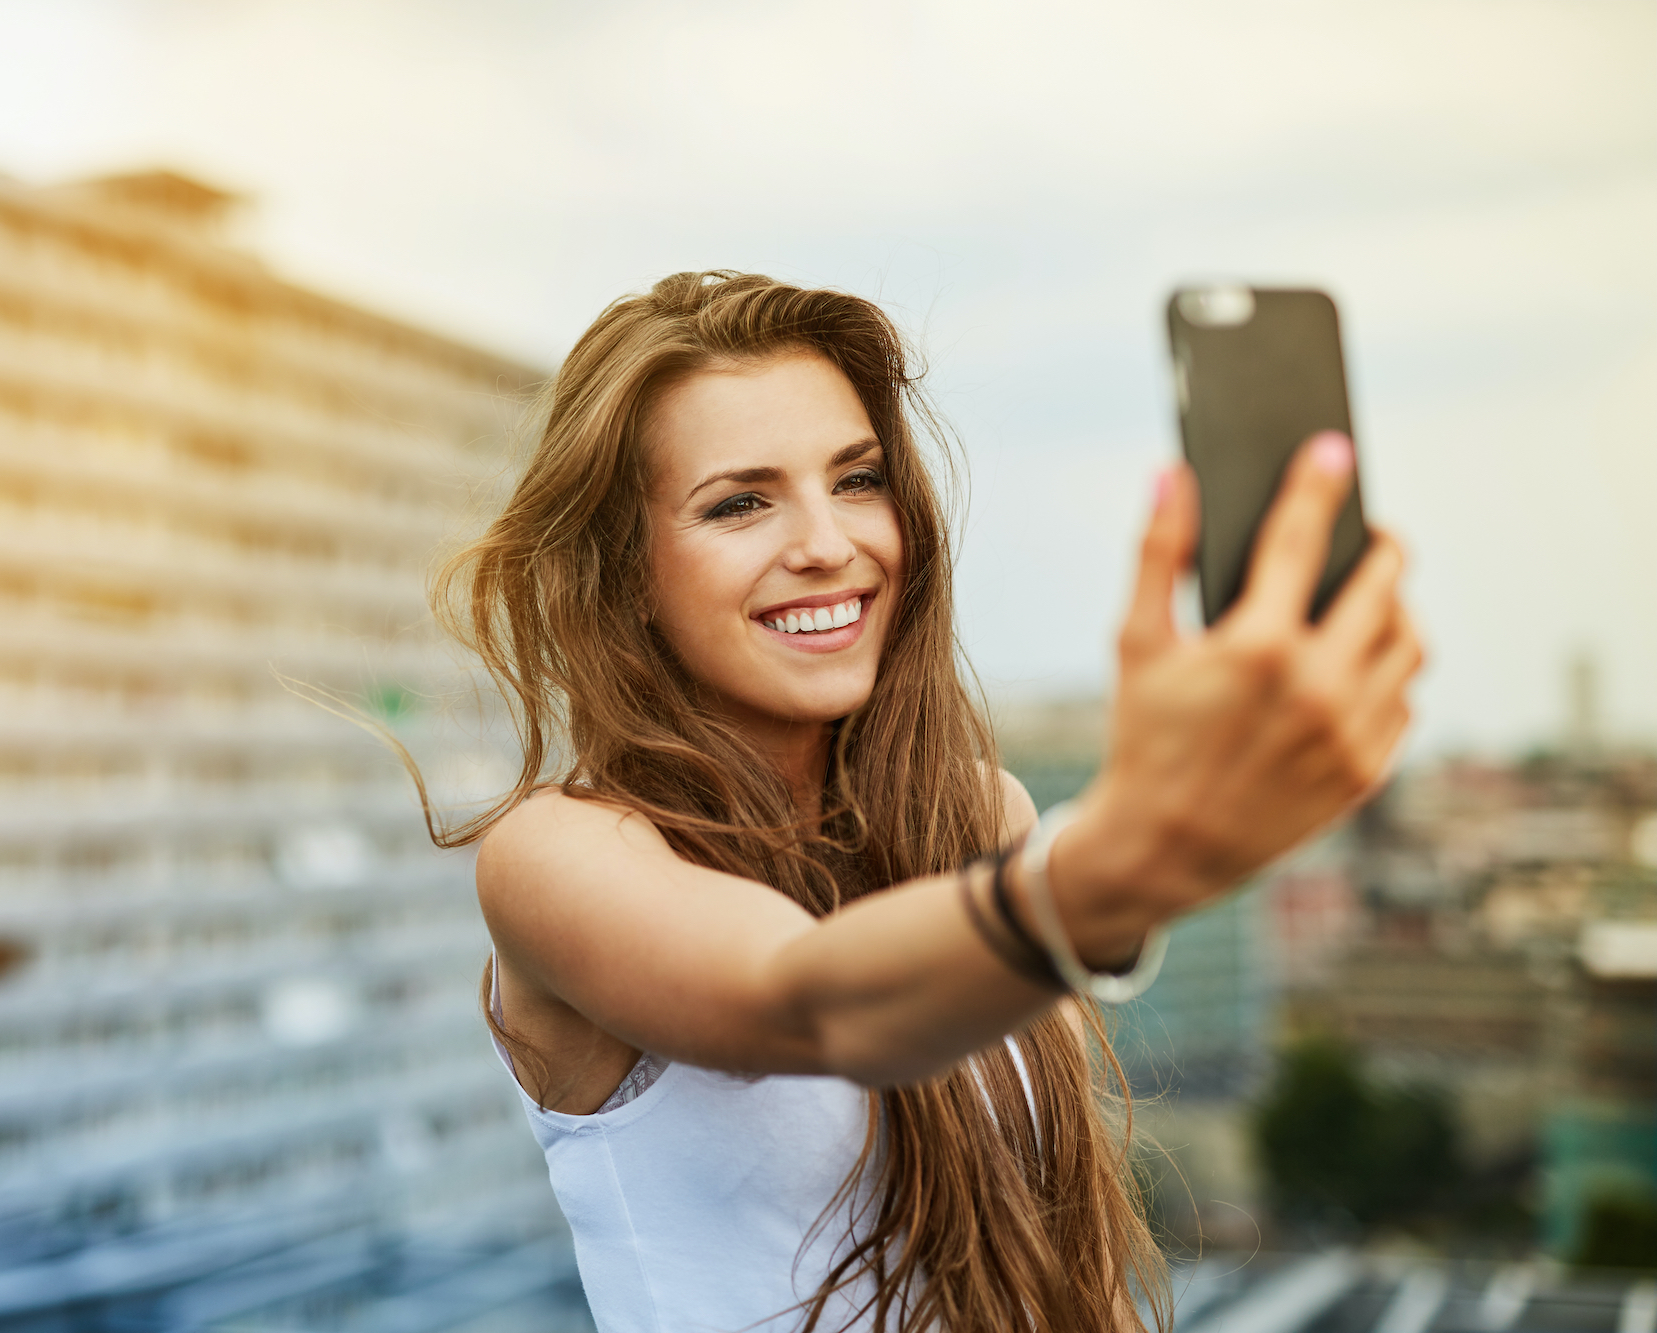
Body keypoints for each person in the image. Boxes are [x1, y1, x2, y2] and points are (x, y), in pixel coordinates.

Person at [421, 271, 1422, 1333]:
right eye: (738, 502)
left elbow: (1068, 1277)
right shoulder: (554, 854)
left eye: (855, 480)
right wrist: (1116, 867)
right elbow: (803, 1001)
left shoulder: (982, 817)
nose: (826, 542)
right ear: (621, 570)